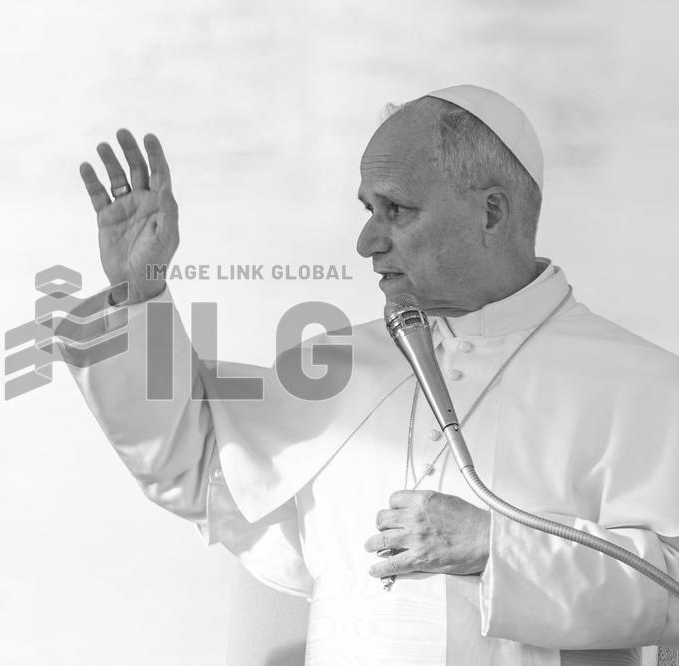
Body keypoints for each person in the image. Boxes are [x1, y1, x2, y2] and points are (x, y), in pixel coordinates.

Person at [63, 85, 679, 665]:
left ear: (491, 213)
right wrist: (139, 290)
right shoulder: (335, 364)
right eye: (367, 208)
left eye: (396, 210)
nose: (365, 240)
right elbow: (190, 464)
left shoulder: (642, 384)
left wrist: (497, 547)